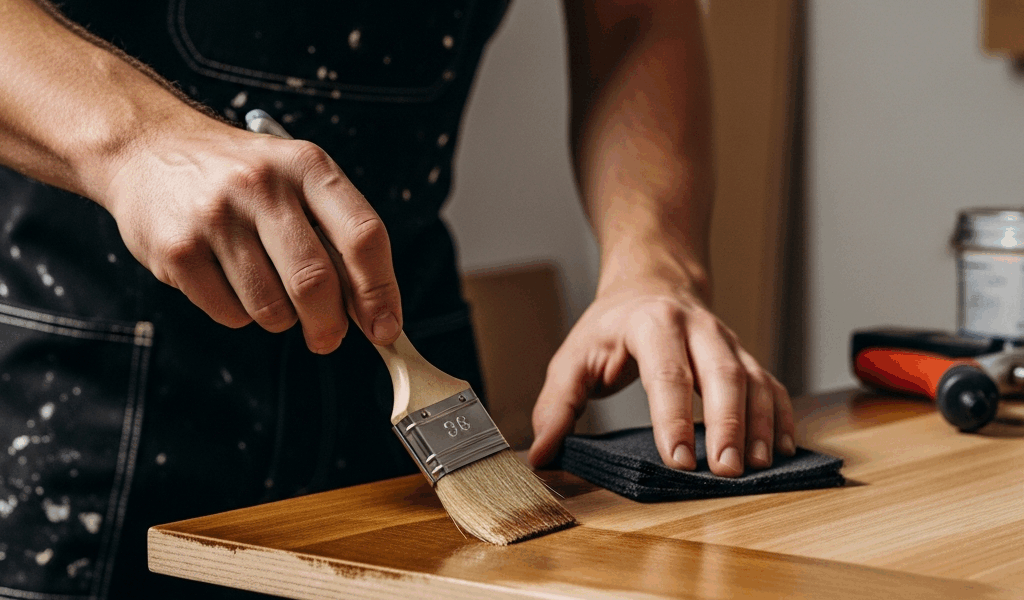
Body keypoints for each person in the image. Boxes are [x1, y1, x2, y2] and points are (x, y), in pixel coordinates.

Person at [0, 0, 794, 596]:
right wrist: (135, 140)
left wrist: (654, 264)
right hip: (85, 390)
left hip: (407, 357)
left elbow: (635, 23)